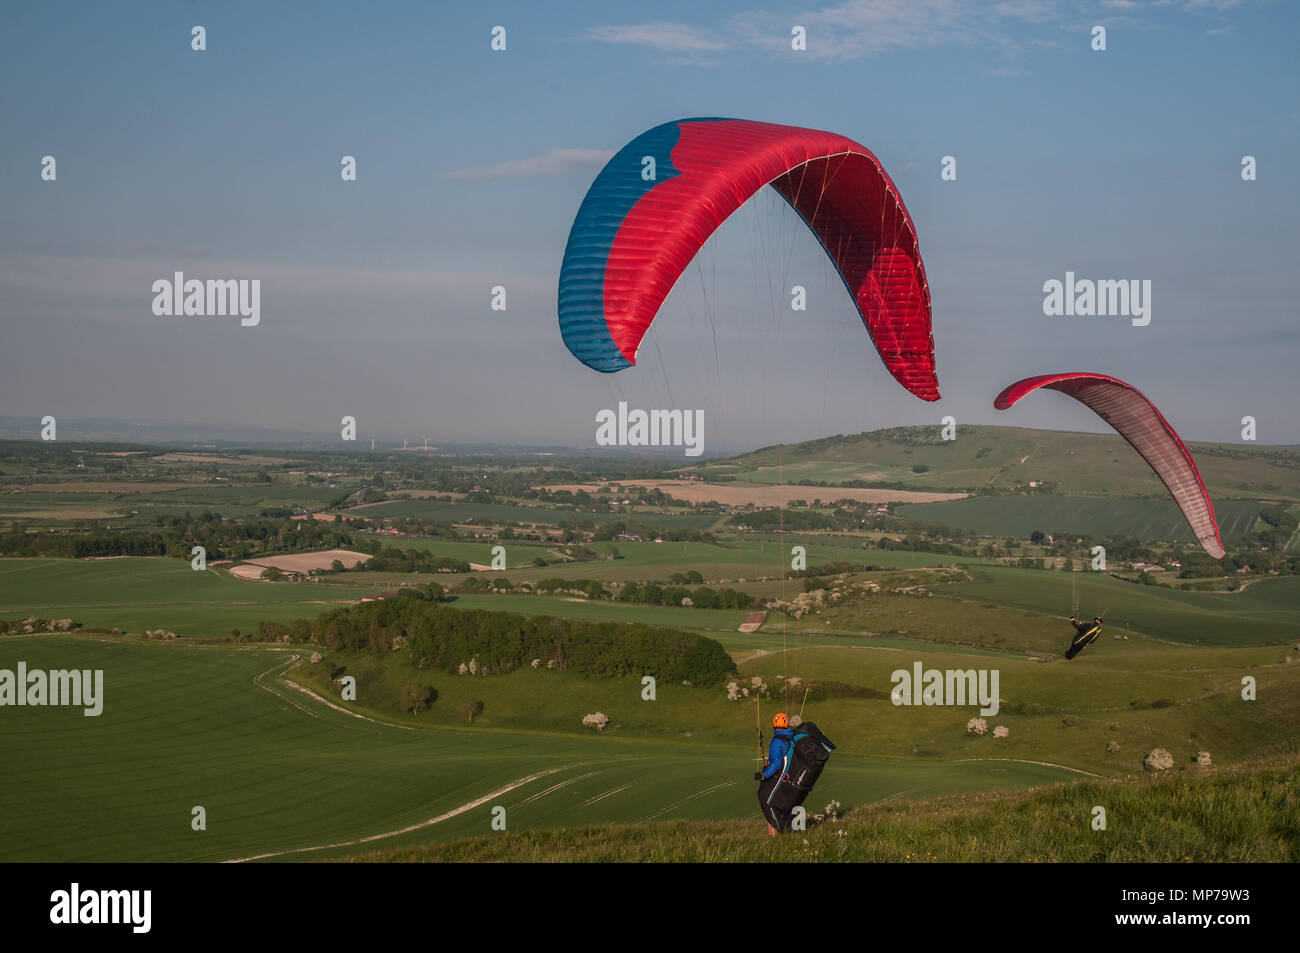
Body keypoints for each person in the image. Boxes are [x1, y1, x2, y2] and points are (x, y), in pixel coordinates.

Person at [754, 712, 796, 835]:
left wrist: (764, 775)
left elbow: (777, 763)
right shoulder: (792, 737)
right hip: (791, 775)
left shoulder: (777, 742)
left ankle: (773, 837)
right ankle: (788, 831)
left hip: (780, 776)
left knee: (766, 800)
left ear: (774, 725)